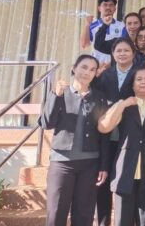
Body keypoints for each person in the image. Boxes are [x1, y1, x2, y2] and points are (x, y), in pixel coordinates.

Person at [40, 55, 109, 226]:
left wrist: (103, 166)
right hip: (61, 163)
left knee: (84, 216)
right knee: (56, 214)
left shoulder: (99, 97)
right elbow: (47, 123)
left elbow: (104, 134)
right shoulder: (60, 92)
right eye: (84, 67)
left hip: (90, 164)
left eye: (92, 69)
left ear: (96, 74)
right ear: (74, 68)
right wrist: (56, 95)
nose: (87, 72)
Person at [98, 67, 145, 226]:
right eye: (139, 79)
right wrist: (122, 105)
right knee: (122, 221)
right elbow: (104, 127)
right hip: (124, 171)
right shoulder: (124, 104)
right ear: (132, 84)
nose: (143, 82)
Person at [92, 38, 139, 225]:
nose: (122, 54)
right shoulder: (105, 74)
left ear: (133, 53)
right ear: (112, 54)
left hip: (130, 134)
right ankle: (103, 222)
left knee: (127, 182)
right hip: (107, 133)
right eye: (118, 50)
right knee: (102, 181)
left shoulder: (140, 73)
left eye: (126, 50)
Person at [80, 0, 126, 64]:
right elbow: (84, 44)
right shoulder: (92, 25)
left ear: (115, 9)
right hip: (96, 64)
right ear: (99, 8)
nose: (108, 7)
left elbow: (124, 45)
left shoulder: (122, 25)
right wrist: (87, 25)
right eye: (105, 5)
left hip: (115, 64)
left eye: (111, 5)